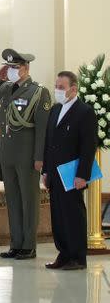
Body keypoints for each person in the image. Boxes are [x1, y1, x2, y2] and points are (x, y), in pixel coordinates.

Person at [0, 49, 51, 260]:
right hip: (7, 153)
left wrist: (40, 157)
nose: (12, 71)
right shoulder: (5, 89)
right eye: (10, 67)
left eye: (16, 67)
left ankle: (29, 245)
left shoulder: (38, 92)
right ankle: (16, 243)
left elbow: (42, 129)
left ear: (26, 69)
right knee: (13, 200)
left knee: (28, 200)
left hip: (27, 155)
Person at [42, 71, 97, 270]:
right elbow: (49, 142)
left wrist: (83, 174)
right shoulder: (55, 110)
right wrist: (46, 171)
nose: (57, 90)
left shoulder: (85, 112)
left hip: (72, 174)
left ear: (73, 89)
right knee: (58, 215)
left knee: (73, 215)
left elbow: (88, 146)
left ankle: (77, 257)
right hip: (55, 173)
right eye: (56, 86)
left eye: (61, 87)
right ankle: (63, 254)